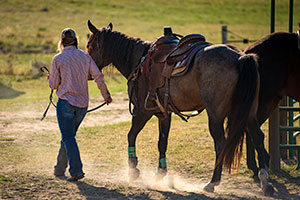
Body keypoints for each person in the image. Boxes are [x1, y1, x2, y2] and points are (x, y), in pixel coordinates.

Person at [48, 28, 112, 181]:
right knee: (68, 136)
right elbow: (98, 76)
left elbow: (53, 84)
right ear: (76, 40)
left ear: (62, 41)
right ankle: (59, 168)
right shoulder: (85, 57)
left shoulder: (58, 58)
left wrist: (51, 79)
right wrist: (106, 95)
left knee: (68, 136)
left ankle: (76, 170)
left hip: (65, 103)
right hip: (82, 105)